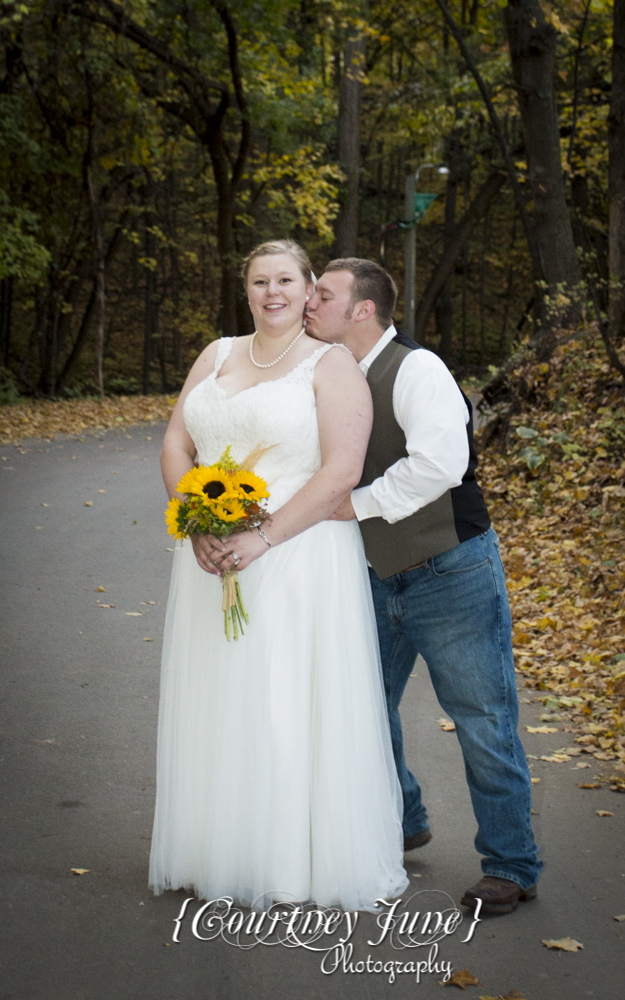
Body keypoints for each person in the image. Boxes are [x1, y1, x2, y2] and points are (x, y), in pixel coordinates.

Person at [148, 240, 408, 912]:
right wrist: (197, 519)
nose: (272, 293)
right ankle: (218, 847)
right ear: (246, 289)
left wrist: (261, 537)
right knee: (219, 697)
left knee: (282, 700)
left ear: (308, 286)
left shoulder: (332, 364)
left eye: (285, 280)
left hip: (296, 556)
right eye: (259, 280)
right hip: (210, 553)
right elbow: (178, 442)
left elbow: (341, 473)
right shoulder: (216, 354)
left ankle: (289, 859)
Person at [305, 258, 542, 916]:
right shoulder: (326, 373)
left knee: (482, 723)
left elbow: (442, 462)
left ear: (361, 309)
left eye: (322, 293)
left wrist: (360, 504)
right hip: (370, 577)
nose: (306, 302)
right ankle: (404, 817)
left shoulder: (416, 368)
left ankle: (510, 864)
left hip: (450, 570)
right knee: (360, 710)